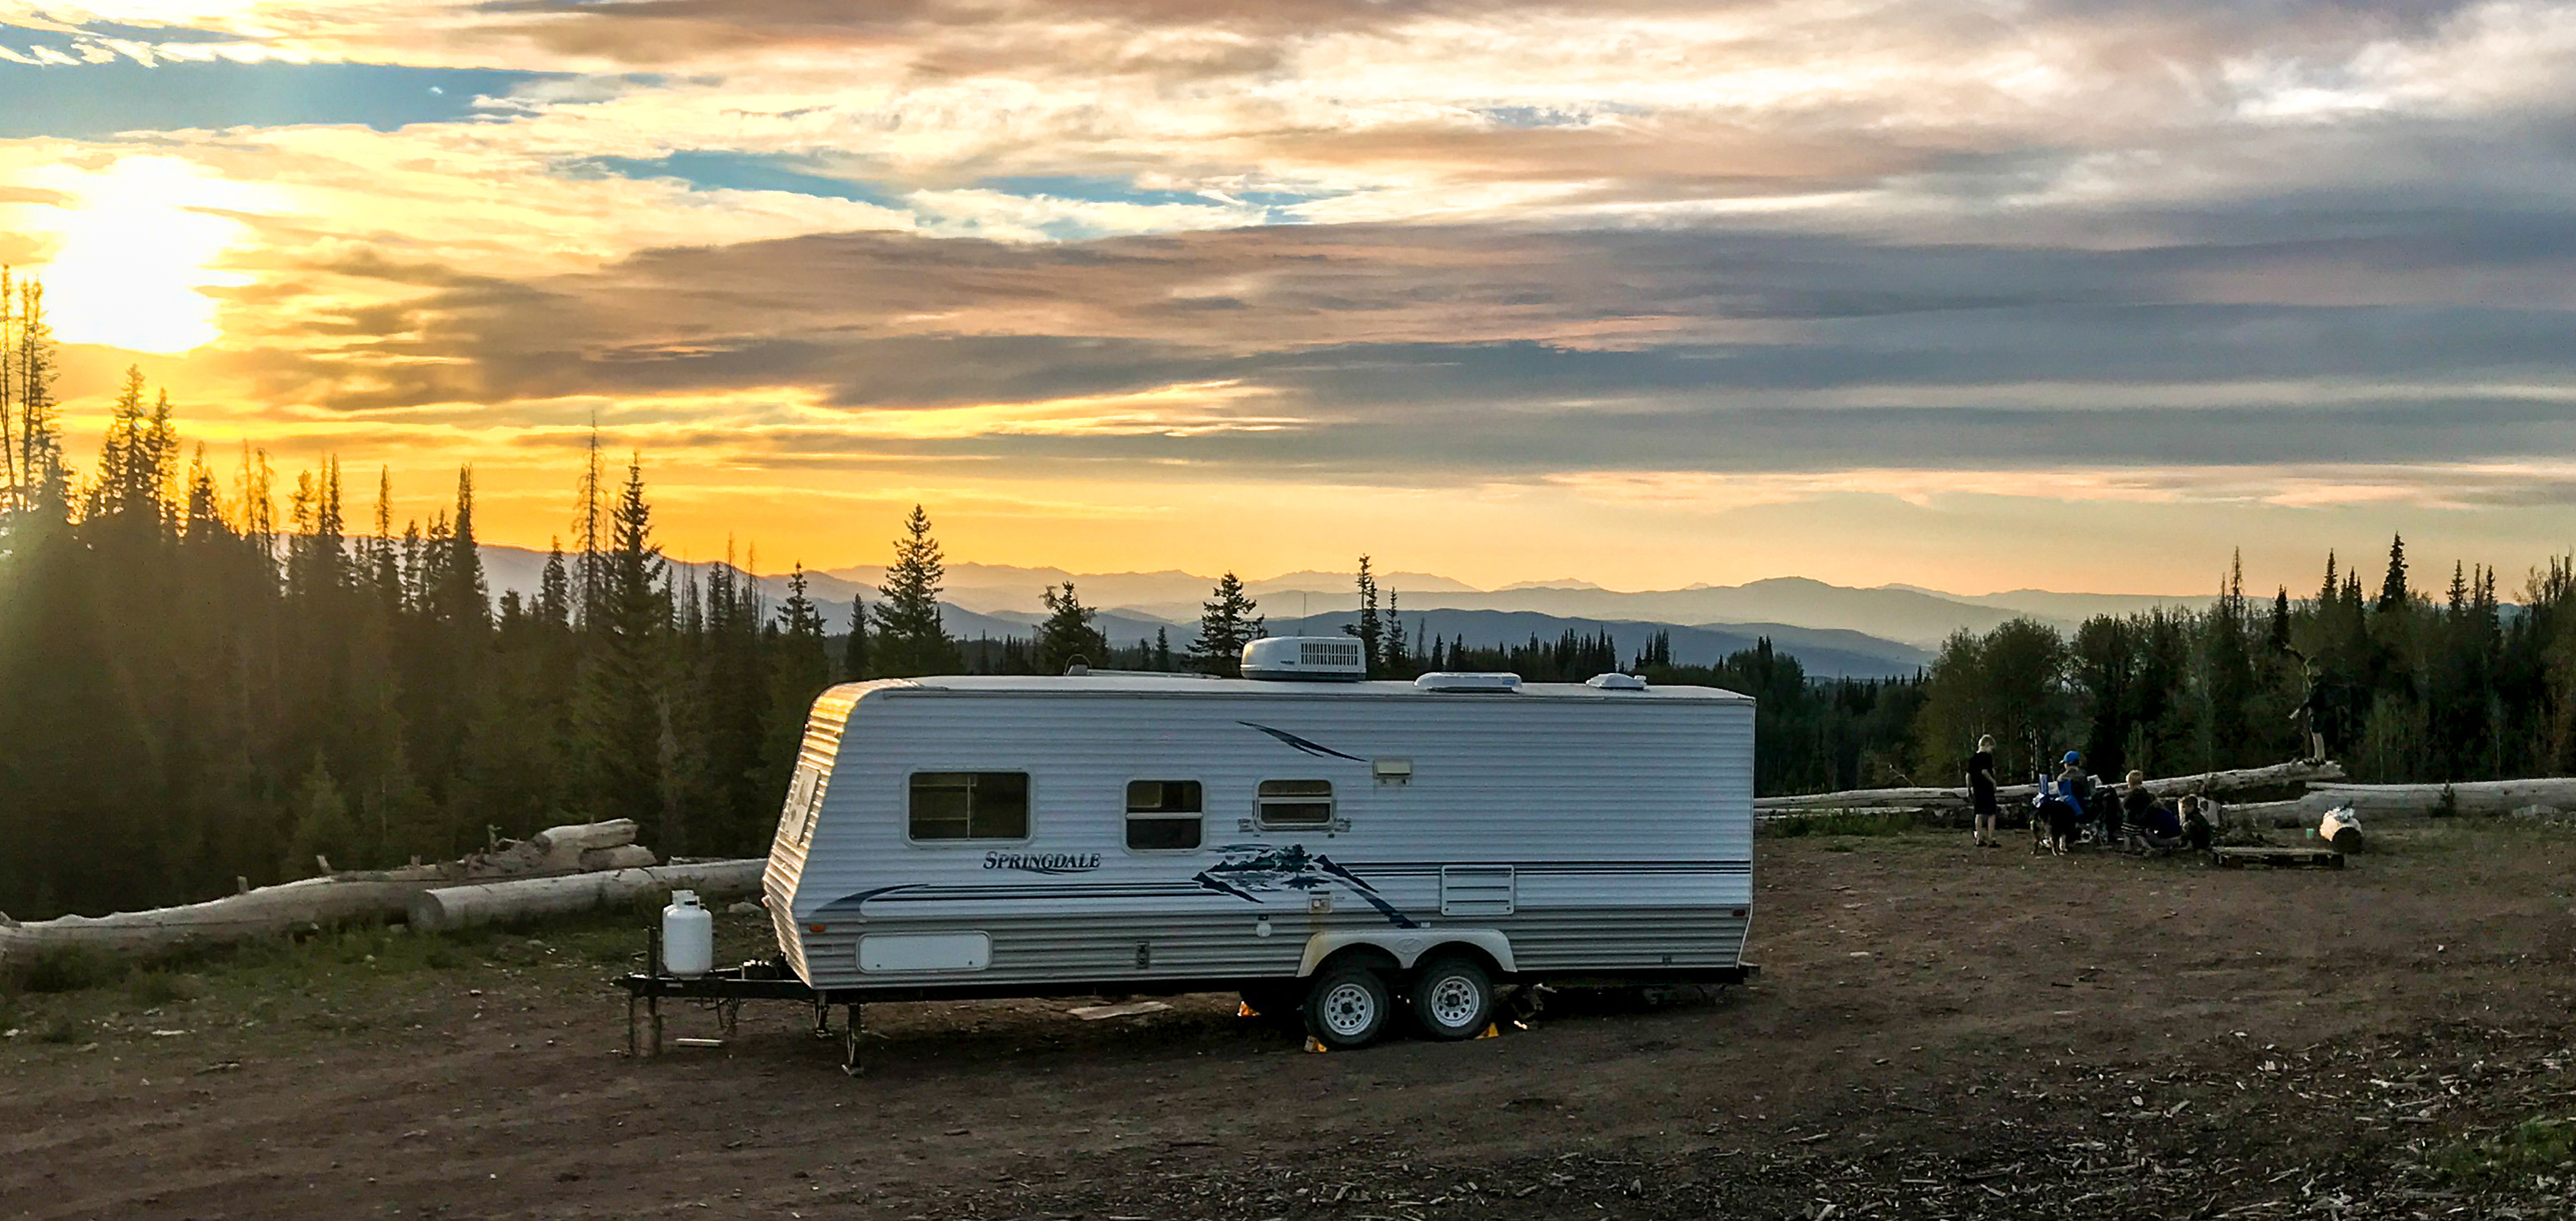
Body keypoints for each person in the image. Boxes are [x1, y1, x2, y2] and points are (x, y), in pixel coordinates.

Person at [1967, 735, 2000, 848]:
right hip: (1986, 788)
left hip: (1977, 789)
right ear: (1987, 745)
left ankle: (1979, 838)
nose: (1991, 751)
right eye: (1991, 748)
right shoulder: (1986, 757)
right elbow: (1984, 772)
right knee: (1991, 814)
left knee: (1979, 814)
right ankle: (1990, 838)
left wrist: (1969, 789)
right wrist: (1993, 781)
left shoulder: (1973, 758)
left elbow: (1968, 775)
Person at [2117, 770, 2154, 848]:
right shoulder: (2144, 792)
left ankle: (2127, 848)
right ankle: (2146, 846)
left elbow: (2125, 805)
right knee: (2138, 835)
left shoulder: (2132, 794)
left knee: (2127, 834)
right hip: (2143, 819)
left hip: (2132, 820)